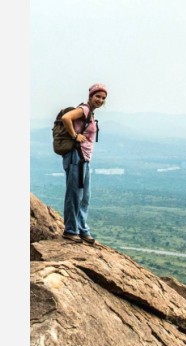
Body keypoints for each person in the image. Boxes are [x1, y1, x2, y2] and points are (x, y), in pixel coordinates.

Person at [61, 83, 108, 244]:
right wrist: (74, 136)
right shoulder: (85, 109)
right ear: (91, 96)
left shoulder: (91, 113)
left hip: (84, 159)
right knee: (74, 195)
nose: (100, 100)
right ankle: (70, 230)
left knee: (84, 197)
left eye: (103, 98)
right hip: (76, 157)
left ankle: (82, 229)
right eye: (98, 96)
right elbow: (66, 118)